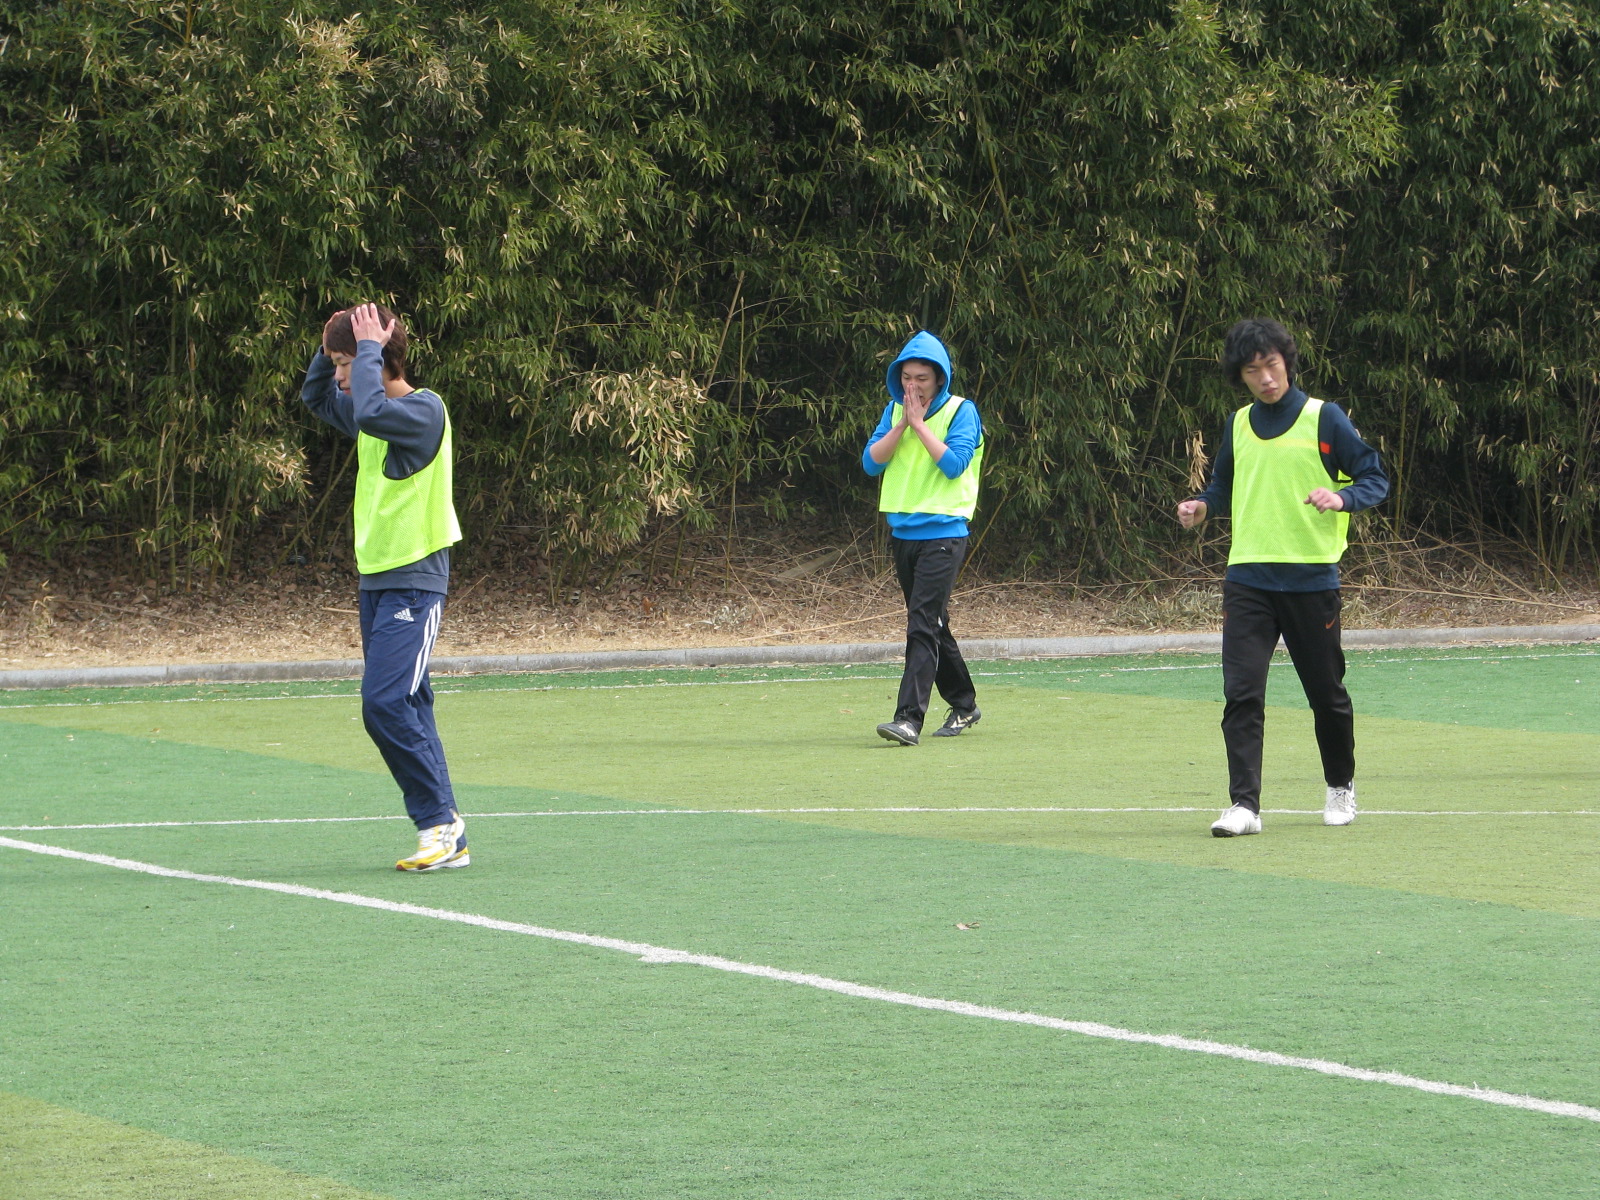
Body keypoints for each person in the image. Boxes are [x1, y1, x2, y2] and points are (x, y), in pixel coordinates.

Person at [1177, 318, 1388, 836]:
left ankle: (1340, 786)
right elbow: (1222, 485)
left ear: (1287, 363)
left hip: (1311, 581)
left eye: (1271, 365)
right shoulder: (1238, 424)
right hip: (1247, 578)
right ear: (1240, 375)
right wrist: (1202, 506)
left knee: (1326, 694)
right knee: (1241, 693)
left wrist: (1341, 497)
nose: (1266, 378)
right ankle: (1244, 806)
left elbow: (1374, 477)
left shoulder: (1325, 418)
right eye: (1253, 371)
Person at [302, 303, 469, 871]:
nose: (340, 375)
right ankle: (446, 832)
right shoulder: (370, 412)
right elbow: (316, 398)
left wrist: (367, 349)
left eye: (344, 363)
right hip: (377, 581)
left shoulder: (421, 412)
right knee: (410, 704)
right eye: (336, 363)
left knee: (385, 703)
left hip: (415, 583)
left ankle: (439, 823)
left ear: (380, 358)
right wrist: (329, 345)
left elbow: (371, 408)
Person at [862, 330, 985, 745]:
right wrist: (903, 424)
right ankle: (964, 703)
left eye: (922, 379)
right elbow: (871, 463)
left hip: (944, 535)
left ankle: (908, 719)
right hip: (904, 535)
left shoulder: (962, 411)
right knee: (932, 623)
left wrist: (920, 425)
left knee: (921, 624)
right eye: (906, 378)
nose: (912, 386)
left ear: (939, 379)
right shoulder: (893, 411)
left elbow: (954, 465)